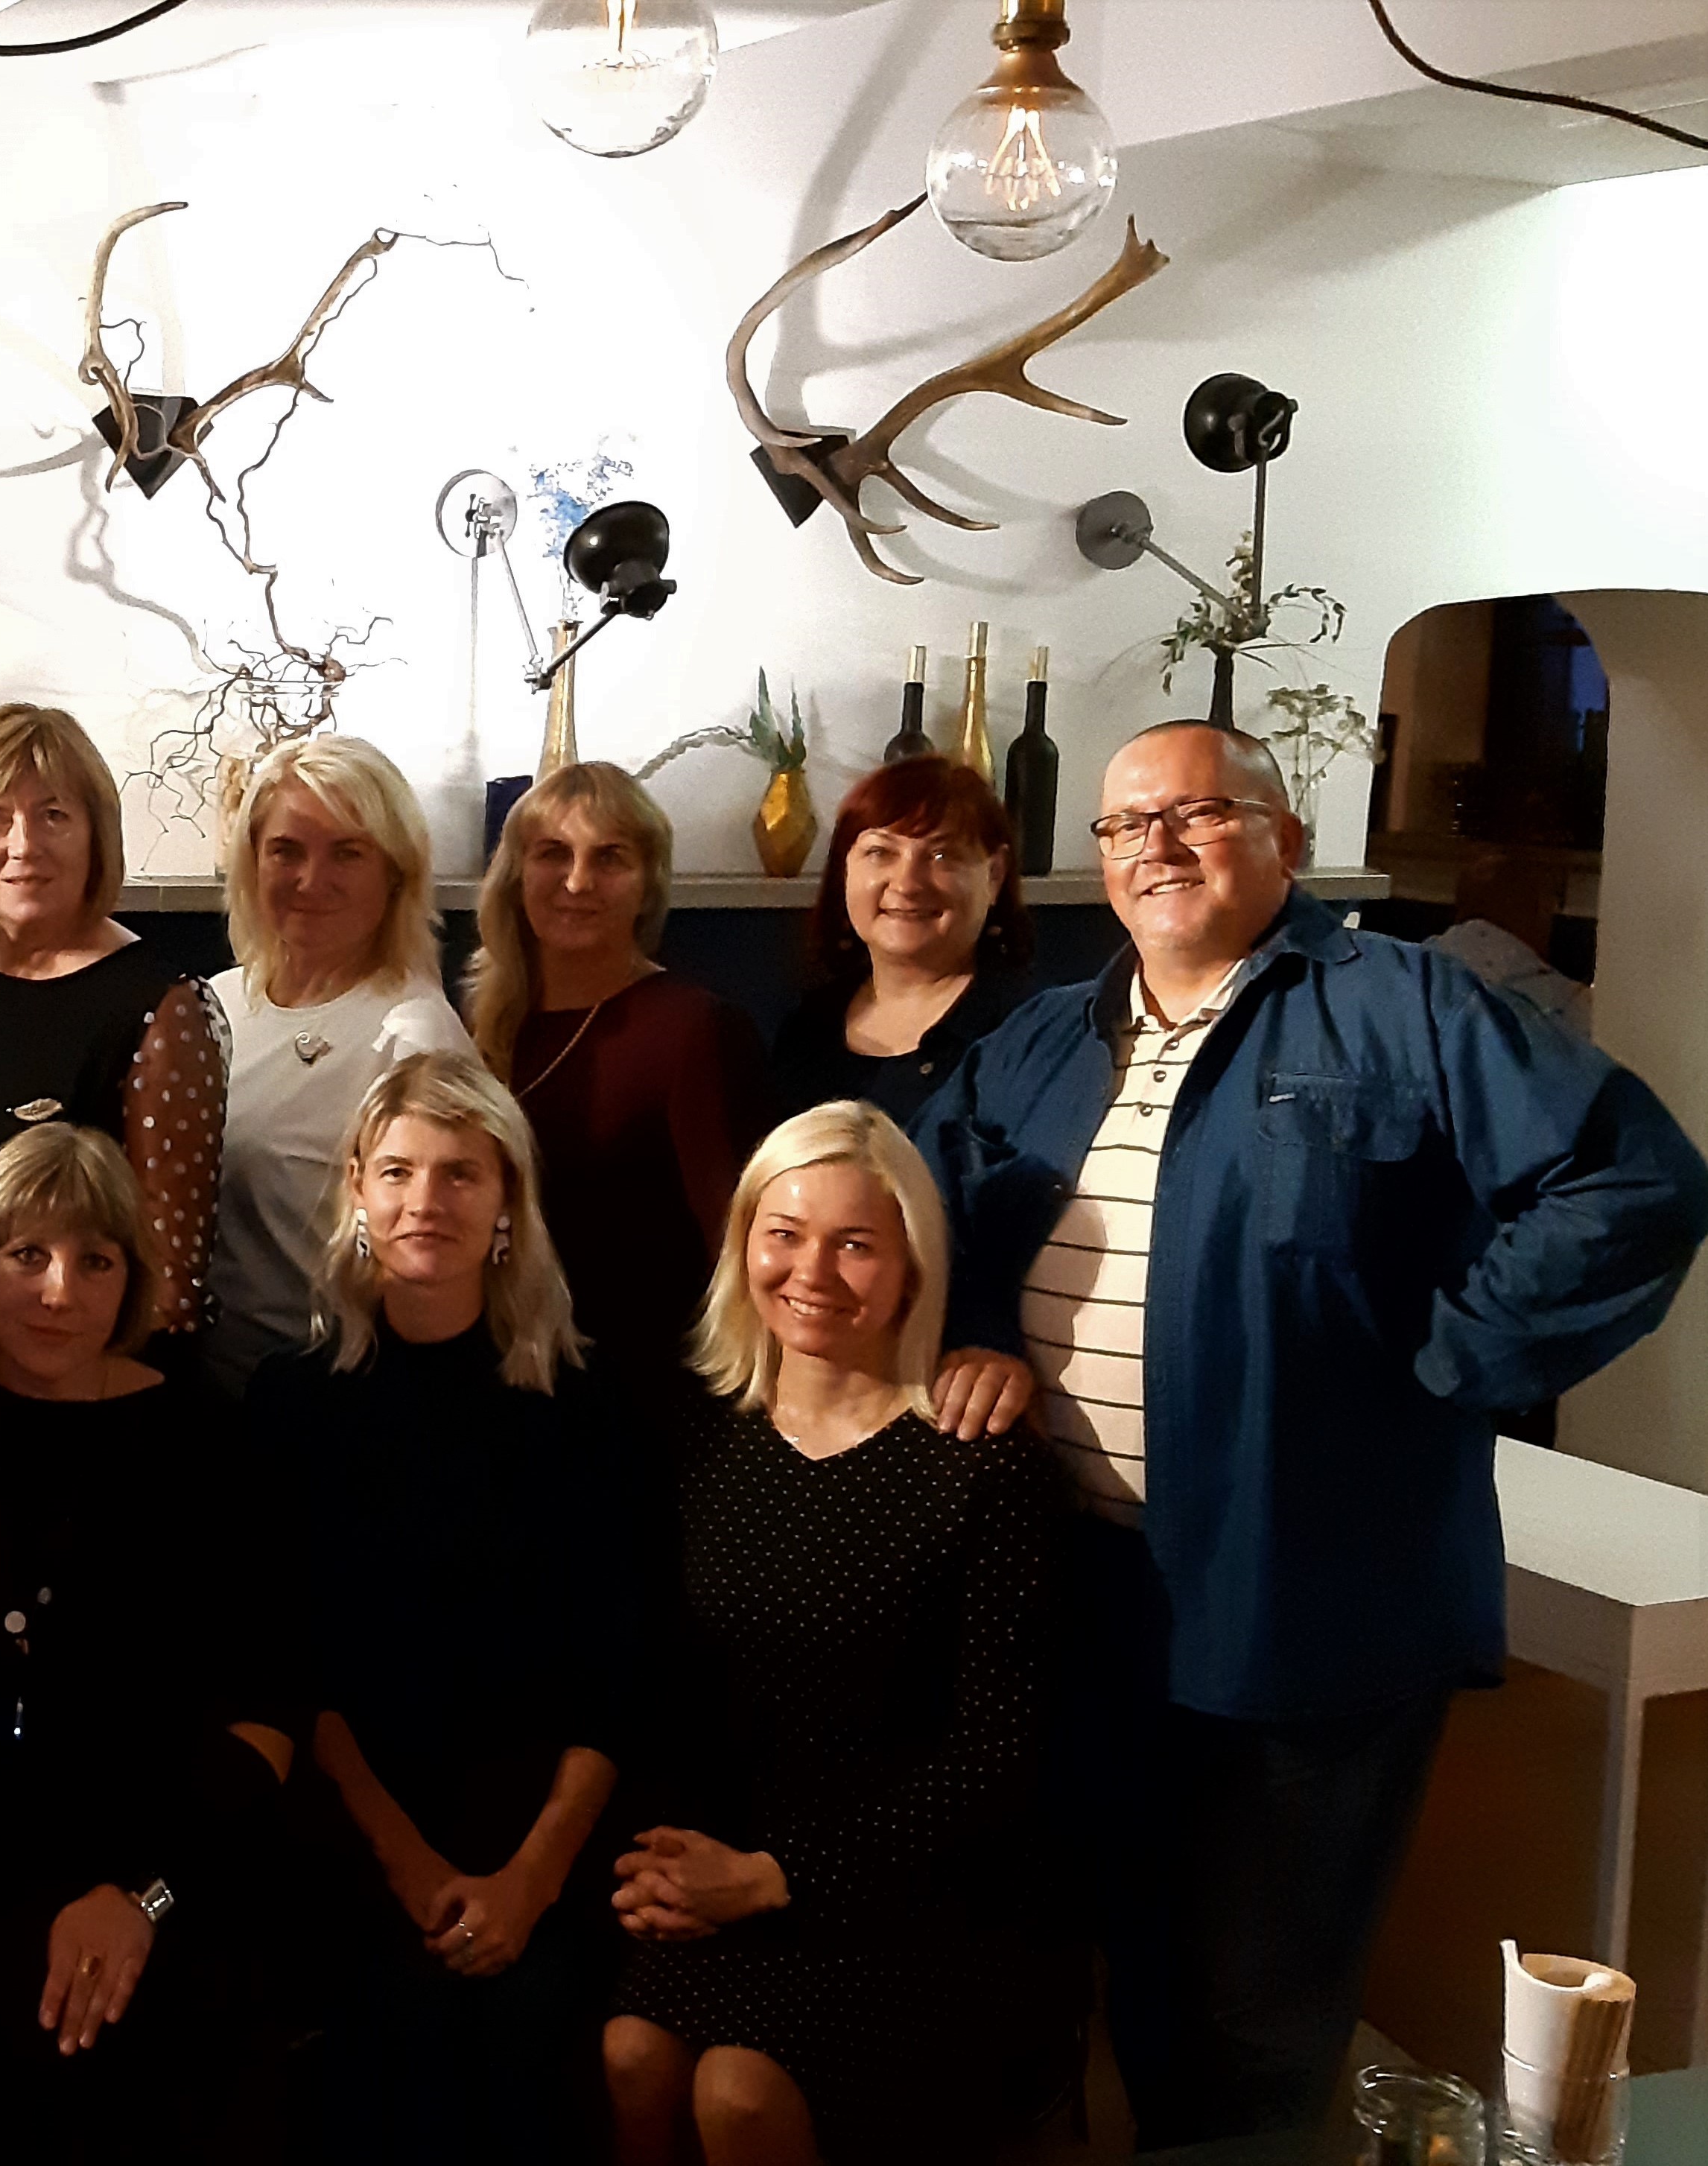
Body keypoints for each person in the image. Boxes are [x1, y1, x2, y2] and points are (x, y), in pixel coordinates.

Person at [915, 721, 1708, 2146]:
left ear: (1282, 836)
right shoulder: (1043, 1036)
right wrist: (972, 1326)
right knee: (1111, 1973)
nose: (1156, 845)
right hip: (1079, 1596)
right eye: (1124, 825)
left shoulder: (1408, 1006)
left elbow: (1629, 1180)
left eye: (1197, 813)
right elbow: (931, 1208)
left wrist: (1455, 1357)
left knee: (1254, 2018)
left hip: (1308, 1601)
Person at [603, 1102, 1074, 2166]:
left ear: (911, 1270)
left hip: (914, 1894)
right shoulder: (697, 1438)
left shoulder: (984, 1467)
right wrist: (667, 1865)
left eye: (855, 1243)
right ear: (744, 1247)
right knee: (632, 2055)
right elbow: (661, 1689)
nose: (812, 1271)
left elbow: (997, 1756)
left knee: (738, 2093)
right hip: (724, 1859)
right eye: (785, 1234)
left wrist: (778, 1876)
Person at [0, 1124, 296, 2162]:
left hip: (162, 1873)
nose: (60, 1292)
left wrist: (143, 1896)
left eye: (96, 1261)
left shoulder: (207, 1441)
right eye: (27, 1255)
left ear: (133, 1280)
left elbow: (268, 1718)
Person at [252, 1050, 637, 2158]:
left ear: (509, 1200)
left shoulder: (587, 1408)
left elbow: (620, 1674)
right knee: (397, 2035)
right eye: (399, 1172)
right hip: (356, 1827)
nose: (428, 1200)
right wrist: (407, 1864)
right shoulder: (291, 1406)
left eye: (462, 1173)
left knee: (530, 2041)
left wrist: (529, 1881)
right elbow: (294, 1667)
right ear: (358, 1194)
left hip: (546, 1836)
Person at [0, 705, 225, 1395]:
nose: (23, 845)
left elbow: (167, 1287)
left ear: (95, 836)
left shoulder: (161, 1004)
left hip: (72, 1407)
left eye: (53, 815)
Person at [460, 762, 769, 1405]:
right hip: (504, 1383)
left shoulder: (693, 1029)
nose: (578, 881)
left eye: (610, 858)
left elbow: (738, 1247)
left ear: (648, 884)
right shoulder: (483, 1025)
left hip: (642, 1396)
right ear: (516, 875)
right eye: (553, 853)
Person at [203, 737, 472, 1389]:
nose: (310, 880)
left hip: (335, 1394)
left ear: (395, 872)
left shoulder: (413, 1036)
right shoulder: (214, 1003)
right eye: (285, 851)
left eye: (347, 853)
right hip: (201, 1388)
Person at [767, 755, 1036, 1126]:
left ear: (994, 876)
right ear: (845, 870)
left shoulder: (1030, 1033)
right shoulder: (806, 1030)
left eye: (942, 855)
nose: (908, 883)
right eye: (880, 853)